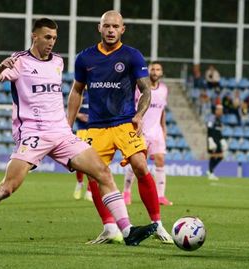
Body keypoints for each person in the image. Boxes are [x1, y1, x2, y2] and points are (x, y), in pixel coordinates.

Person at [0, 18, 157, 246]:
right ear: (35, 36)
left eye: (54, 38)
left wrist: (68, 123)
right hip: (33, 134)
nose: (51, 42)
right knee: (6, 189)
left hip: (61, 133)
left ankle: (127, 231)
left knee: (103, 172)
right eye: (47, 37)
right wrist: (1, 67)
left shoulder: (58, 62)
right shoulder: (19, 61)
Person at [67, 10, 173, 244]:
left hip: (125, 122)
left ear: (122, 29)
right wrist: (67, 124)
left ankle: (157, 224)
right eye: (107, 26)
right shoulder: (85, 58)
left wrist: (139, 114)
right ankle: (109, 228)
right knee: (94, 176)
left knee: (141, 166)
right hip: (96, 127)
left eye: (115, 26)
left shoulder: (132, 56)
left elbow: (146, 90)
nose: (111, 30)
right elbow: (76, 90)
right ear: (100, 28)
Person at [122, 62, 173, 206]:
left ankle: (161, 196)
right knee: (136, 163)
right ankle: (126, 192)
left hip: (156, 131)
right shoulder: (139, 88)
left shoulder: (163, 89)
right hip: (140, 131)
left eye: (158, 69)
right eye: (153, 69)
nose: (155, 72)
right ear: (148, 71)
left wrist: (164, 129)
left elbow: (162, 111)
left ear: (161, 73)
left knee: (160, 160)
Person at [72, 91, 93, 201]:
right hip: (81, 131)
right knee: (79, 161)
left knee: (93, 162)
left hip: (94, 131)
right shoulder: (81, 93)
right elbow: (72, 111)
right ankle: (79, 183)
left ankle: (90, 190)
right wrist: (80, 115)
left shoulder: (97, 92)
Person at [206, 104, 227, 180]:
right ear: (216, 110)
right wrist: (210, 139)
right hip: (212, 140)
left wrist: (222, 140)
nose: (221, 112)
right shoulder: (212, 118)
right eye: (220, 110)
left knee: (221, 156)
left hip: (218, 140)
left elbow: (219, 132)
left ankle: (210, 170)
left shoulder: (219, 120)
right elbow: (209, 129)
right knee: (213, 155)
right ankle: (210, 172)